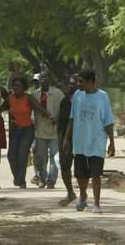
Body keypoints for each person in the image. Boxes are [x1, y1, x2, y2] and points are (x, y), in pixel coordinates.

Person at [63, 69, 115, 214]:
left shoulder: (103, 97)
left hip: (97, 141)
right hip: (80, 141)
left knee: (96, 174)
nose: (78, 84)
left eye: (81, 81)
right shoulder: (78, 96)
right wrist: (67, 139)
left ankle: (97, 204)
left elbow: (108, 120)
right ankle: (83, 195)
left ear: (91, 81)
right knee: (80, 174)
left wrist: (112, 141)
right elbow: (72, 118)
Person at [7, 76, 49, 188]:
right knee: (11, 155)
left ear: (23, 88)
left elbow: (39, 108)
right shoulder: (9, 98)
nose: (16, 88)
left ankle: (21, 181)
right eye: (14, 86)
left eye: (18, 86)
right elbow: (2, 108)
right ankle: (17, 177)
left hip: (27, 130)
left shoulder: (28, 98)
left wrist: (50, 116)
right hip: (14, 130)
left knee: (22, 155)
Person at [33, 72, 64, 189]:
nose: (44, 80)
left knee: (55, 157)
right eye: (41, 78)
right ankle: (42, 177)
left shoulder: (57, 93)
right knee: (40, 156)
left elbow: (65, 107)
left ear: (50, 79)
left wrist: (58, 118)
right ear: (39, 80)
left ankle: (51, 181)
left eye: (46, 77)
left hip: (54, 131)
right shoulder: (35, 94)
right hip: (40, 131)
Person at [57, 75, 79, 206]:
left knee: (82, 168)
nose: (71, 86)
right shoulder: (65, 101)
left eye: (75, 84)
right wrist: (61, 139)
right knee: (65, 166)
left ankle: (82, 194)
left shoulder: (84, 101)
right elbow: (61, 123)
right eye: (70, 84)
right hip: (66, 139)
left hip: (81, 138)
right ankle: (70, 192)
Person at [30, 73, 41, 185]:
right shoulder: (32, 95)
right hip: (33, 127)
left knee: (42, 153)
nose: (36, 84)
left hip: (45, 128)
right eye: (35, 82)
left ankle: (42, 174)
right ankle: (37, 174)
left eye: (37, 82)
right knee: (35, 150)